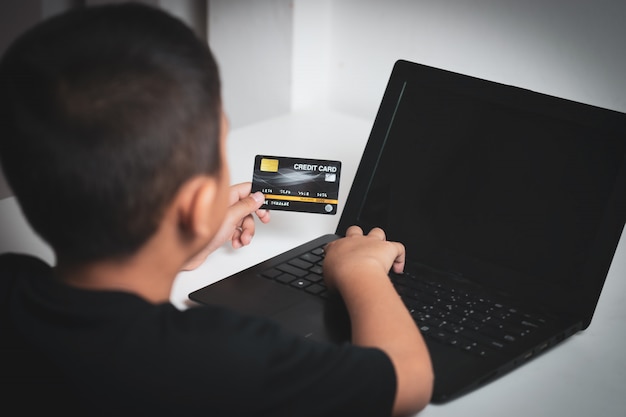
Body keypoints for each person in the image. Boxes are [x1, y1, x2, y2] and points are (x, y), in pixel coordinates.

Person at [0, 3, 433, 416]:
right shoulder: (223, 361)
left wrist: (177, 246)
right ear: (195, 204)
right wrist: (360, 272)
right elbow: (409, 381)